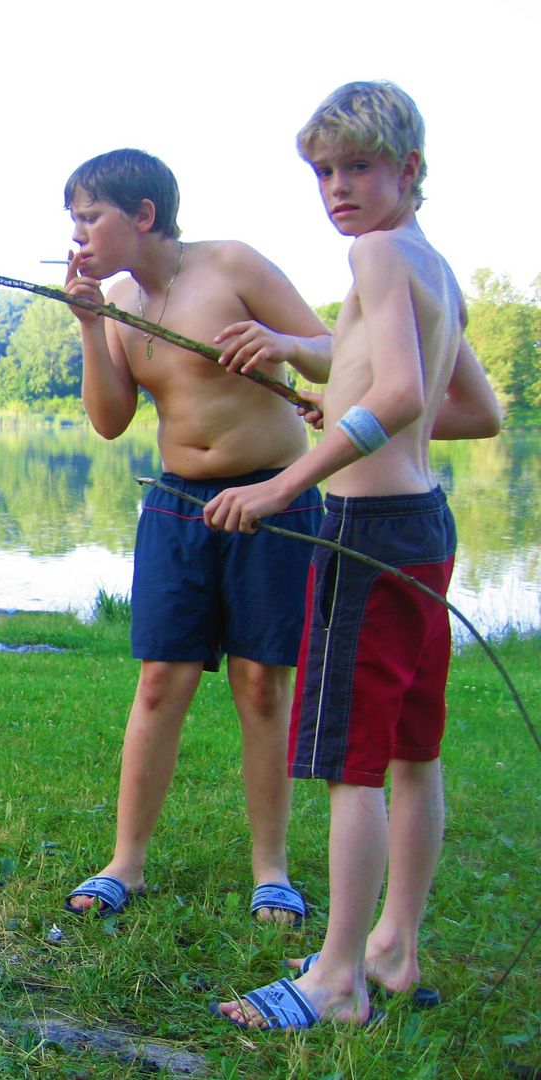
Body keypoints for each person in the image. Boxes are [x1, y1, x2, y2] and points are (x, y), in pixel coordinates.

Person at [205, 82, 503, 1029]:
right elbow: (476, 410)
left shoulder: (373, 251)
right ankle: (395, 951)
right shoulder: (433, 267)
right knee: (414, 749)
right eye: (324, 171)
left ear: (409, 170)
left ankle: (335, 980)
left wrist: (288, 481)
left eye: (358, 167)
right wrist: (323, 387)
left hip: (366, 536)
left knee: (353, 762)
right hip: (423, 527)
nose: (337, 187)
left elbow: (405, 395)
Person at [61, 148, 333, 923]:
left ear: (142, 215)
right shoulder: (115, 300)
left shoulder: (232, 265)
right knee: (159, 682)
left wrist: (285, 348)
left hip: (272, 501)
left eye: (91, 217)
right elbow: (111, 420)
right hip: (178, 507)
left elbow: (334, 348)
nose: (77, 234)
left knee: (260, 684)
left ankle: (272, 871)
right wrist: (91, 325)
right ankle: (126, 864)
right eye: (72, 220)